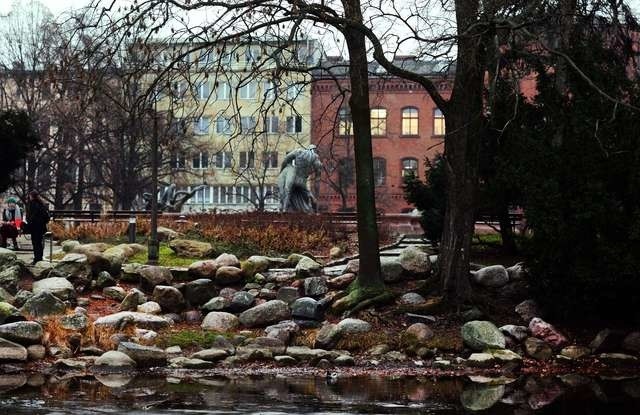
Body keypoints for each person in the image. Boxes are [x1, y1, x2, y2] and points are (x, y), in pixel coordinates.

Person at [25, 190, 49, 264]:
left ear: (31, 196)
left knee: (35, 243)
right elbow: (47, 217)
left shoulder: (32, 204)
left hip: (35, 227)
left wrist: (28, 223)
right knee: (39, 243)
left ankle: (36, 259)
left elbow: (30, 216)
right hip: (41, 227)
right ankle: (40, 258)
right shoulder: (42, 204)